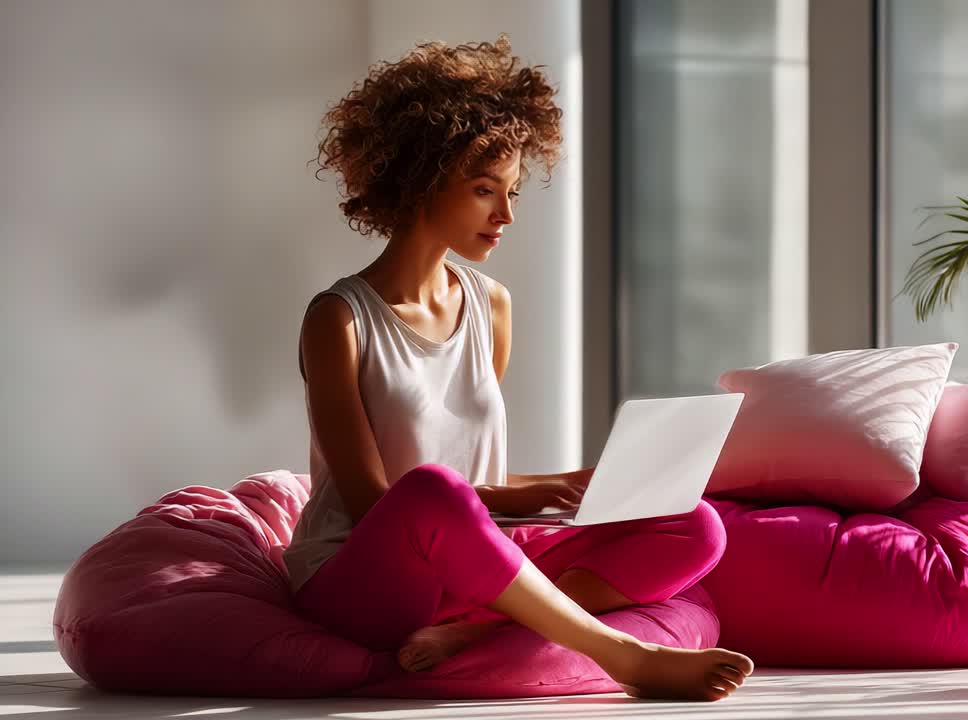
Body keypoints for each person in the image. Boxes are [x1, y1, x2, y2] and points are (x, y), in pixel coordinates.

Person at [281, 35, 753, 702]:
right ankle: (619, 652)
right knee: (431, 494)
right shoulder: (339, 318)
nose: (505, 216)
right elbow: (378, 502)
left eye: (511, 192)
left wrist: (576, 484)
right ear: (419, 181)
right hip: (359, 574)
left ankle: (479, 631)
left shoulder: (490, 305)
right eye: (483, 190)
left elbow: (477, 476)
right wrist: (532, 497)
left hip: (461, 558)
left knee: (693, 521)